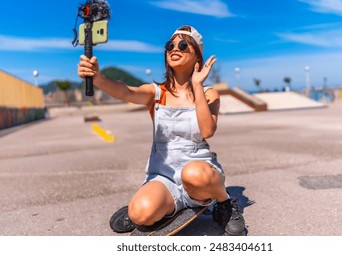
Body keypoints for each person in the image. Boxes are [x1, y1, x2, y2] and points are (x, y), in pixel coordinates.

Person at [77, 25, 246, 236]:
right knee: (140, 214)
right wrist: (98, 77)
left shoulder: (209, 93)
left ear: (197, 58)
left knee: (193, 174)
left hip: (200, 171)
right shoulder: (156, 93)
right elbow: (126, 91)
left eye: (184, 45)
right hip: (164, 176)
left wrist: (196, 85)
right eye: (170, 45)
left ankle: (224, 204)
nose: (175, 48)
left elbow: (207, 130)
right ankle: (165, 205)